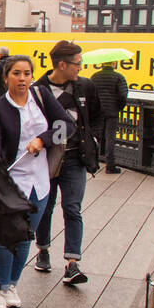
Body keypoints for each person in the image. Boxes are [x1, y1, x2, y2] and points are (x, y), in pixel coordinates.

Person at [0, 55, 74, 308]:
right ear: (6, 76)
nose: (22, 79)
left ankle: (12, 285)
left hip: (41, 181)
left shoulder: (42, 96)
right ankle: (0, 290)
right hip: (13, 180)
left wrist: (43, 140)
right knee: (6, 236)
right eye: (16, 74)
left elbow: (67, 126)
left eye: (27, 74)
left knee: (24, 237)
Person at [32, 40, 100, 286]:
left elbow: (96, 116)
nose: (80, 68)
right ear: (62, 64)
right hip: (47, 158)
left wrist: (92, 141)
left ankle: (72, 263)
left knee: (72, 208)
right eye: (77, 64)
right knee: (45, 208)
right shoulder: (38, 90)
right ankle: (43, 250)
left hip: (75, 158)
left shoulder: (85, 87)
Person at [89, 61, 128, 173]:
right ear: (114, 64)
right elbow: (123, 96)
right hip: (112, 112)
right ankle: (110, 166)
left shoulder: (95, 77)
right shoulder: (119, 77)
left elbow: (90, 94)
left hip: (97, 112)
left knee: (95, 136)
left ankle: (92, 162)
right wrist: (117, 107)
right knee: (110, 138)